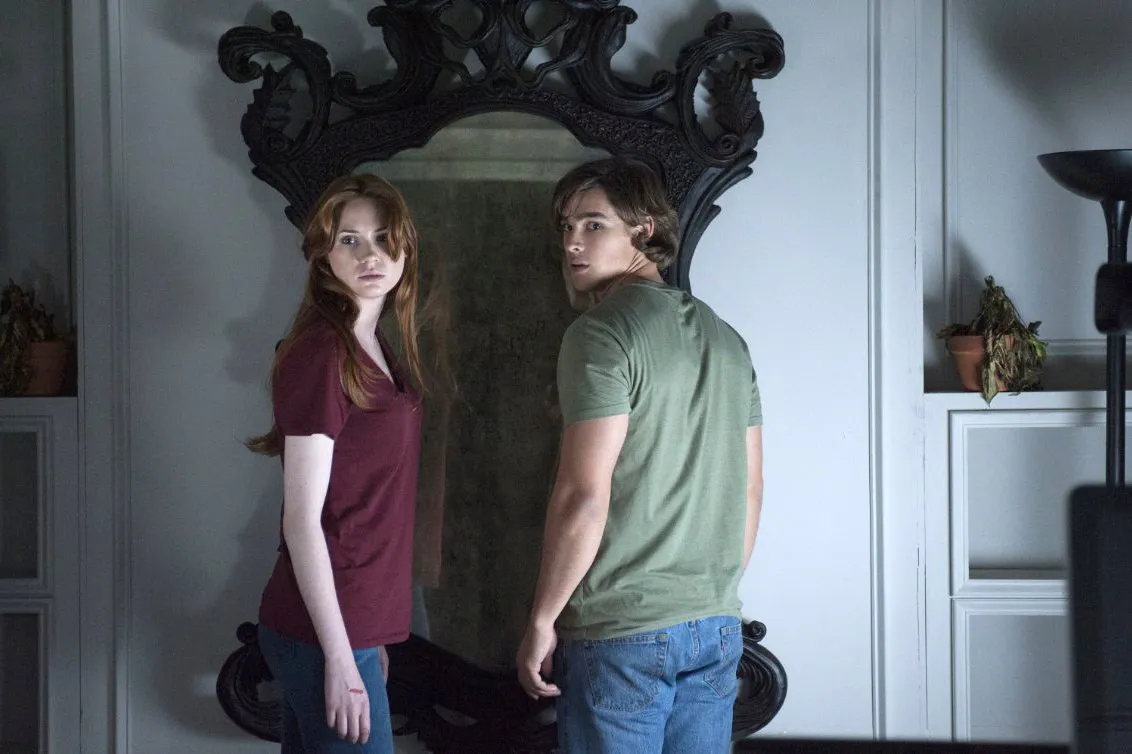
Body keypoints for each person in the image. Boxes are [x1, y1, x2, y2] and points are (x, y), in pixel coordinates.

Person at [516, 157, 765, 753]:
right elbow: (751, 490)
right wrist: (710, 594)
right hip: (715, 625)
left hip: (621, 632)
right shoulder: (728, 340)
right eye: (566, 227)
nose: (572, 243)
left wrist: (542, 620)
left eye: (593, 224)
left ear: (644, 228)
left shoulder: (600, 333)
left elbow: (583, 495)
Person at [246, 173, 429, 752]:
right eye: (349, 239)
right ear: (323, 254)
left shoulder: (376, 346)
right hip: (321, 630)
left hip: (352, 624)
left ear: (404, 249)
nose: (370, 254)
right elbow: (301, 521)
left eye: (383, 238)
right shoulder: (322, 353)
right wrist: (341, 656)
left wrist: (368, 637)